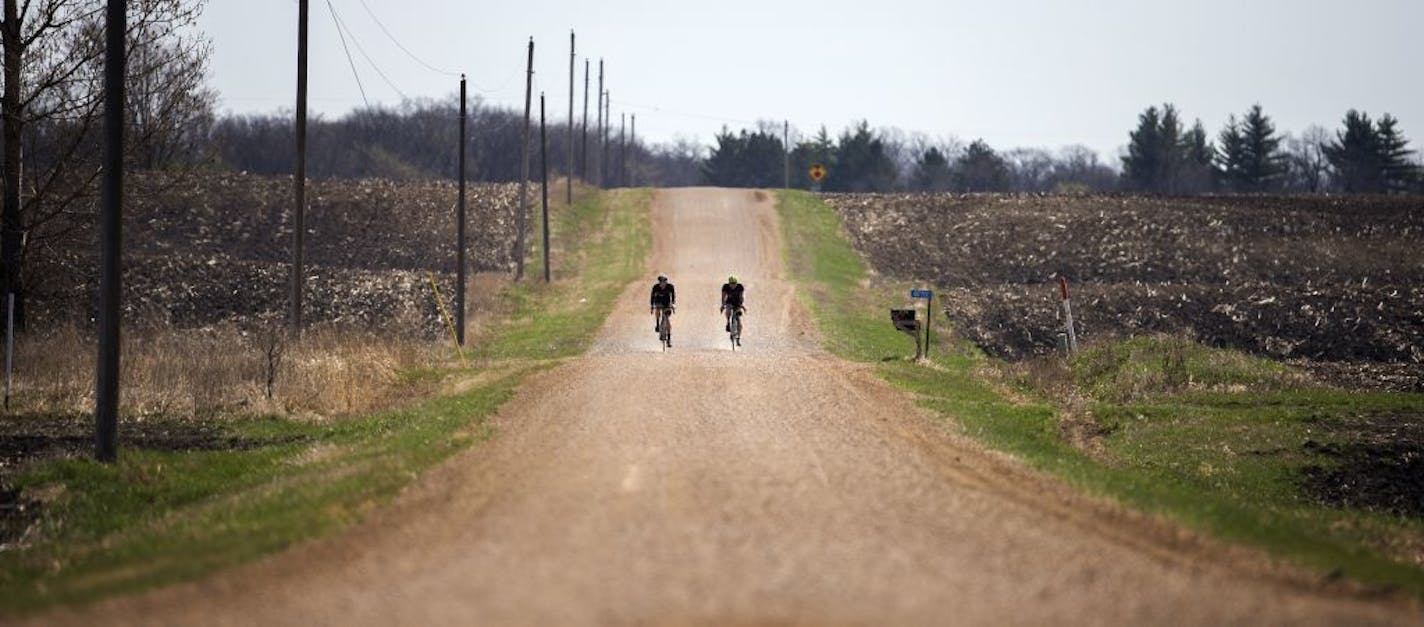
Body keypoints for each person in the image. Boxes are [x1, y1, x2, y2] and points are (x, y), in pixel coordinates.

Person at [649, 273, 676, 341]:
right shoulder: (655, 287)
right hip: (658, 301)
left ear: (666, 282)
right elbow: (652, 297)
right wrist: (652, 306)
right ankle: (657, 324)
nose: (662, 284)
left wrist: (673, 304)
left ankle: (669, 338)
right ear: (659, 282)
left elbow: (673, 296)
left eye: (664, 282)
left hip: (667, 302)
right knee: (657, 309)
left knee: (667, 319)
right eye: (661, 282)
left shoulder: (670, 287)